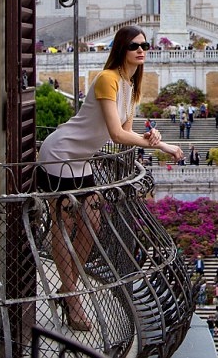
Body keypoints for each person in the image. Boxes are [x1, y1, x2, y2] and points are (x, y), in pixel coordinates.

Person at [36, 26, 182, 331]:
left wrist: (154, 138)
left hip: (81, 161)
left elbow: (126, 134)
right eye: (134, 45)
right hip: (60, 154)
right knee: (64, 224)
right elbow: (116, 134)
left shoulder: (130, 87)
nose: (140, 50)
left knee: (92, 222)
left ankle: (68, 287)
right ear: (120, 49)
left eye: (144, 45)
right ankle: (72, 297)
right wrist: (160, 145)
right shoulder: (107, 79)